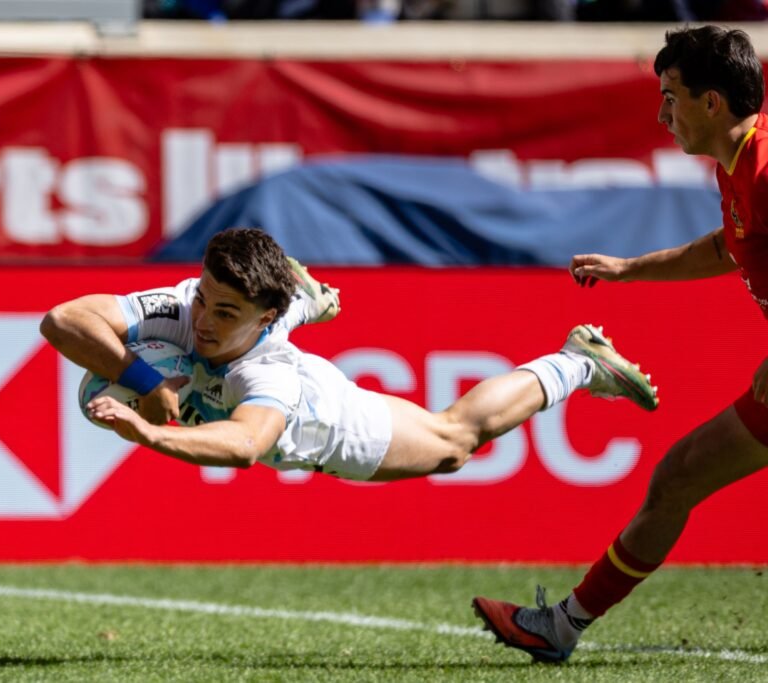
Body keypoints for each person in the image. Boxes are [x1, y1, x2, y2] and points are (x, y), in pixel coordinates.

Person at [472, 25, 768, 664]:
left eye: (671, 98)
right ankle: (561, 626)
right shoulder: (739, 167)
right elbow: (728, 246)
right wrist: (632, 268)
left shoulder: (767, 167)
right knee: (679, 476)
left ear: (711, 102)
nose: (662, 116)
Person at [41, 227, 656, 485]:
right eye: (203, 297)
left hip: (322, 420)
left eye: (224, 311)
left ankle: (579, 362)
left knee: (453, 443)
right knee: (210, 333)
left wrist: (151, 432)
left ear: (262, 317)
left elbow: (247, 444)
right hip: (247, 350)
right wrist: (143, 379)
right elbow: (63, 320)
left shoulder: (269, 372)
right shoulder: (181, 305)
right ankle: (305, 299)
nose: (201, 319)